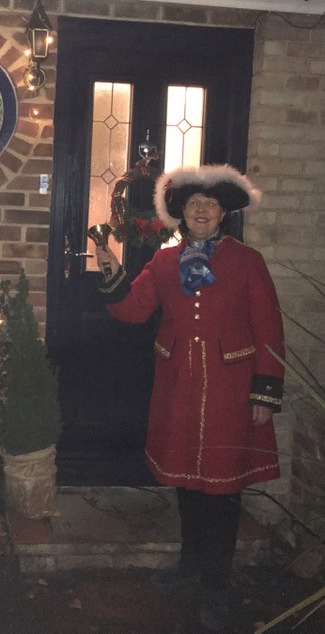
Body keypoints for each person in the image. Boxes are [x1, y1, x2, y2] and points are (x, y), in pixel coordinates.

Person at [95, 164, 285, 632]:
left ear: (223, 213)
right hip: (178, 385)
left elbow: (269, 329)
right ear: (181, 213)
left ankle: (216, 587)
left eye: (211, 205)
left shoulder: (248, 261)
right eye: (193, 204)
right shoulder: (162, 261)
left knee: (222, 490)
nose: (202, 211)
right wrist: (112, 272)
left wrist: (264, 391)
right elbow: (134, 310)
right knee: (186, 481)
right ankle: (190, 561)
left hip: (231, 391)